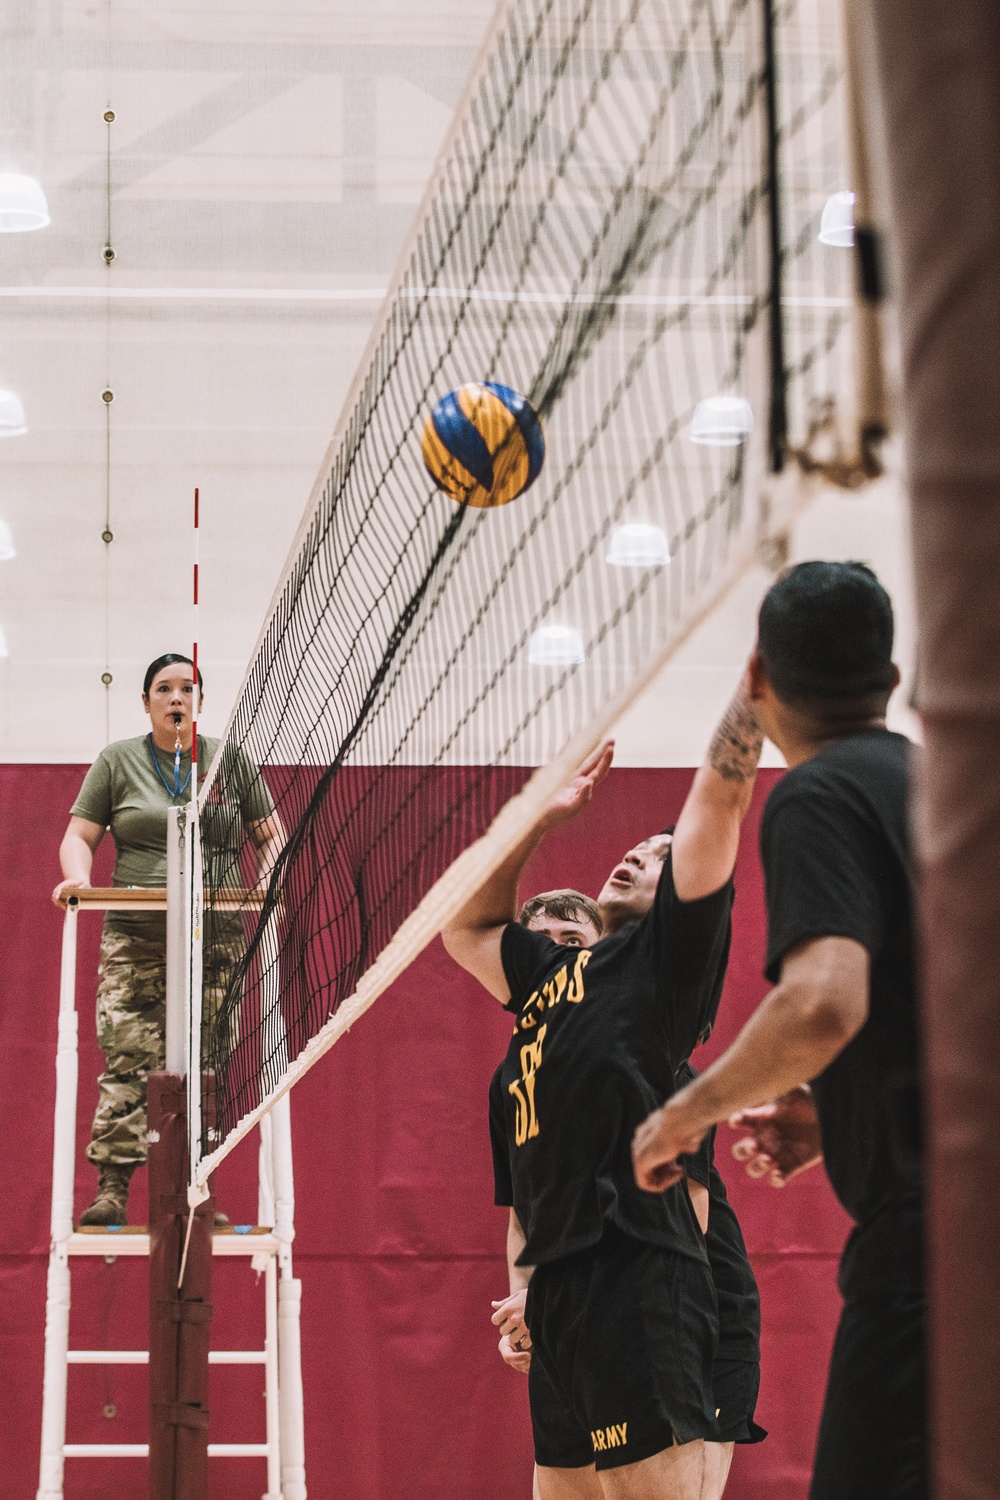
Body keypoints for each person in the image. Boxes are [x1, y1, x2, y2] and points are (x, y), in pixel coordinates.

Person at [632, 561, 925, 1500]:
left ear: (758, 680)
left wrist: (687, 1112)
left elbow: (824, 1001)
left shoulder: (820, 795)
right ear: (892, 679)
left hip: (932, 1249)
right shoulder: (938, 786)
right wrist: (839, 1110)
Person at [442, 672, 763, 1500]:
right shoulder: (553, 984)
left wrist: (757, 694)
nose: (637, 853)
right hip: (565, 1283)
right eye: (636, 848)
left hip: (644, 1270)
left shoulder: (665, 966)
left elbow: (718, 806)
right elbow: (467, 925)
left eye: (660, 856)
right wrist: (540, 817)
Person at [488, 894, 764, 1500]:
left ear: (599, 956)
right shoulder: (514, 1078)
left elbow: (689, 1214)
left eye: (573, 939)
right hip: (574, 1305)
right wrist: (523, 1306)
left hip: (688, 1305)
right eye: (543, 940)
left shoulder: (645, 1049)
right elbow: (523, 1214)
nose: (557, 950)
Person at [52, 653, 284, 1227]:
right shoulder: (118, 760)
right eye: (164, 688)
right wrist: (79, 880)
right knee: (130, 1055)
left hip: (215, 934)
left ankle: (198, 1191)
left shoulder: (231, 761)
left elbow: (271, 836)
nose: (176, 697)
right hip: (136, 933)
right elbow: (79, 835)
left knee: (208, 1062)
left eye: (187, 688)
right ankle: (111, 1189)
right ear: (146, 701)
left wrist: (265, 885)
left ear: (200, 700)